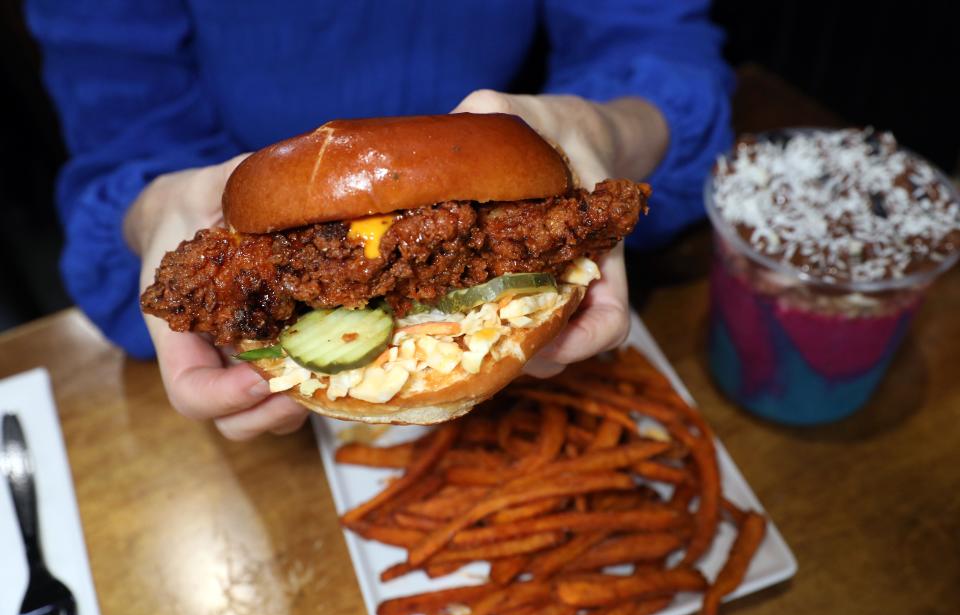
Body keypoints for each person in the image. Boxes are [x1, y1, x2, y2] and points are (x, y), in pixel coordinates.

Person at [27, 1, 733, 439]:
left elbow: (656, 40)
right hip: (241, 204)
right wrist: (150, 207)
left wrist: (611, 128)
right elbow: (118, 135)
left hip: (517, 165)